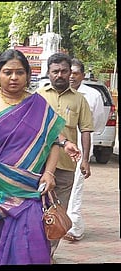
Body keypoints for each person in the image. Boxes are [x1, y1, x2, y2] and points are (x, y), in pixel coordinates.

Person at [0, 49, 68, 265]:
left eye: (19, 72)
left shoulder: (40, 106)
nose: (14, 78)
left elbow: (54, 144)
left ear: (28, 75)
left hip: (29, 194)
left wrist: (49, 173)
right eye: (7, 72)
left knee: (30, 250)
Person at [36, 52, 93, 263]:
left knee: (58, 212)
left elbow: (86, 130)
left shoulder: (79, 100)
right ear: (48, 73)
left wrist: (85, 159)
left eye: (64, 71)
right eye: (55, 71)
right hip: (38, 165)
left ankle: (48, 254)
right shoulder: (38, 96)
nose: (60, 75)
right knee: (35, 211)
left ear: (70, 73)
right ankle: (34, 252)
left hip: (66, 165)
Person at [64, 58, 108, 242]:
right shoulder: (60, 93)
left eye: (76, 73)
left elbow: (97, 122)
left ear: (83, 75)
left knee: (76, 184)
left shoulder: (92, 95)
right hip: (59, 145)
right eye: (69, 72)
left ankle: (73, 226)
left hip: (81, 144)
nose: (72, 76)